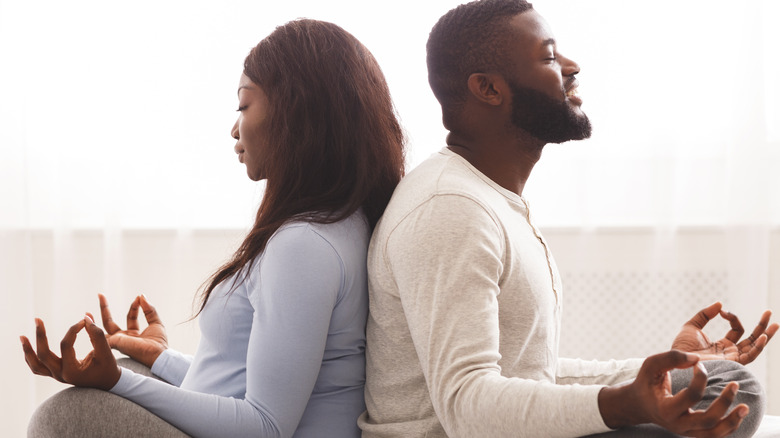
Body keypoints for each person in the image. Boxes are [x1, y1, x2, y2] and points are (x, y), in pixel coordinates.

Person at [358, 1, 778, 437]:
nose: (572, 67)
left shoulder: (486, 198)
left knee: (730, 384)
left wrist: (652, 375)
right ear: (488, 88)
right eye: (550, 56)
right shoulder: (449, 209)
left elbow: (528, 375)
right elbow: (466, 405)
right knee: (730, 403)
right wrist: (621, 405)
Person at [21, 18, 405, 438]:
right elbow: (257, 381)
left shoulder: (304, 245)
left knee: (66, 416)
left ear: (297, 112)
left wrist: (116, 381)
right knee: (129, 370)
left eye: (243, 106)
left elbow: (264, 424)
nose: (234, 129)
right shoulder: (341, 222)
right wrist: (161, 358)